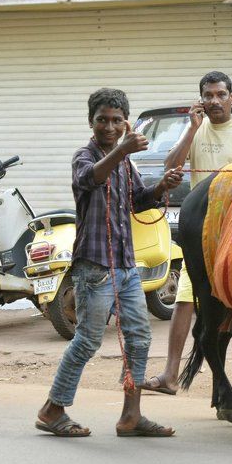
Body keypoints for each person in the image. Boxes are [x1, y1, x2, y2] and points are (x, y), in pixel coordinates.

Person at [36, 88, 184, 437]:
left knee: (139, 338)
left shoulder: (125, 161)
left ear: (125, 122)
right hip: (95, 268)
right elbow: (92, 178)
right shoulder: (85, 157)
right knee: (88, 340)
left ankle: (131, 416)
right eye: (102, 119)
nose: (109, 126)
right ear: (91, 122)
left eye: (117, 120)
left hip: (126, 266)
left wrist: (162, 185)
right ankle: (51, 410)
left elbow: (137, 202)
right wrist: (122, 149)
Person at [142, 71, 232, 398]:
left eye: (220, 94)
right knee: (185, 298)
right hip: (201, 233)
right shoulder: (196, 131)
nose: (215, 101)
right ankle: (171, 374)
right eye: (208, 96)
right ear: (200, 100)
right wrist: (191, 129)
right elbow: (170, 167)